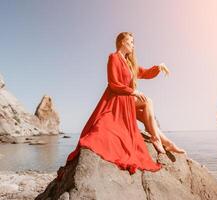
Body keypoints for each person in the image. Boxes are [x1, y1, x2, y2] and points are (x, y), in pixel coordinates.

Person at [59, 32, 185, 179]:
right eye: (131, 42)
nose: (133, 45)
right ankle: (158, 139)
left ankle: (165, 142)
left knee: (147, 113)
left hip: (127, 100)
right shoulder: (113, 57)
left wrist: (159, 67)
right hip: (117, 99)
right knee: (148, 102)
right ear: (123, 42)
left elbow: (144, 72)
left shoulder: (129, 63)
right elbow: (113, 83)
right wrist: (133, 91)